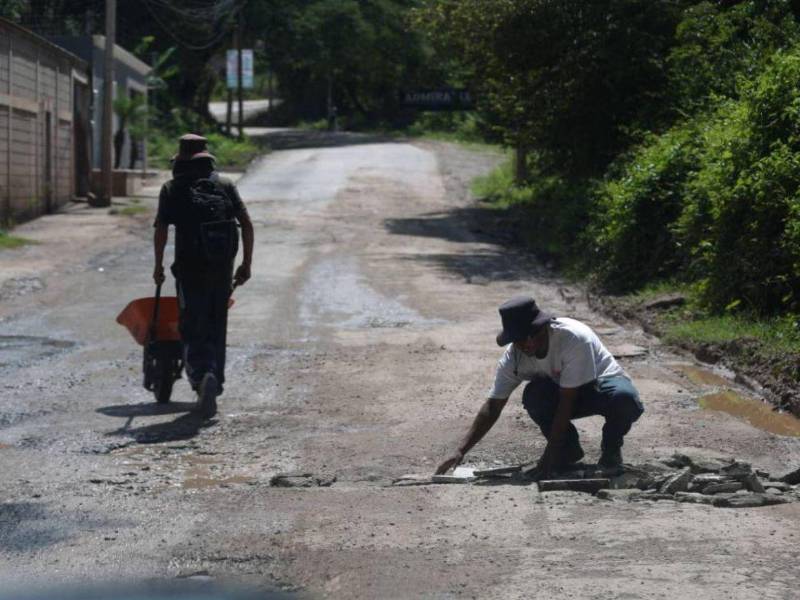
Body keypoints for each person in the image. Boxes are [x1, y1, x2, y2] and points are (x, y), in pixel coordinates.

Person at [436, 296, 643, 478]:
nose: (528, 343)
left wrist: (549, 453)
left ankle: (611, 450)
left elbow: (567, 400)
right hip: (564, 390)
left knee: (624, 399)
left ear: (544, 326)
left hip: (599, 385)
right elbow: (493, 406)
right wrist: (460, 450)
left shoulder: (572, 338)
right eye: (519, 339)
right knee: (535, 396)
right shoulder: (513, 358)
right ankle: (568, 451)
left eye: (532, 334)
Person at [152, 133, 254, 418]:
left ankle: (202, 376)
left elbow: (161, 229)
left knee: (191, 322)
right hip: (222, 267)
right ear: (208, 158)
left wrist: (158, 266)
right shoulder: (225, 185)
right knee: (216, 323)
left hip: (188, 269)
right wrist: (246, 264)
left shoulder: (172, 189)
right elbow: (246, 223)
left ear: (181, 161)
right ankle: (215, 382)